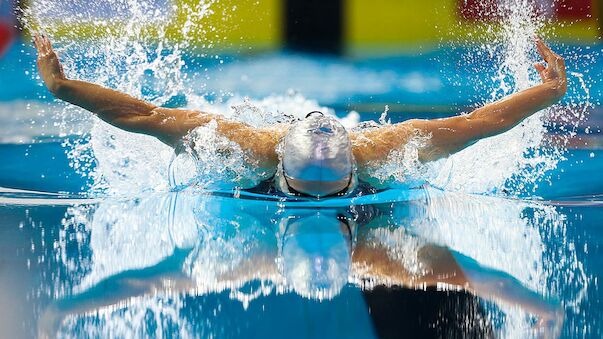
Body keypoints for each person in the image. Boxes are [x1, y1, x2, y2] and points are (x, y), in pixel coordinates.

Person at [33, 34, 567, 198]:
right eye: (320, 122)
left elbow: (140, 114)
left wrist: (64, 88)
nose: (316, 115)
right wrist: (546, 93)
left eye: (318, 122)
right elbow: (482, 123)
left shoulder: (239, 149)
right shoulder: (386, 149)